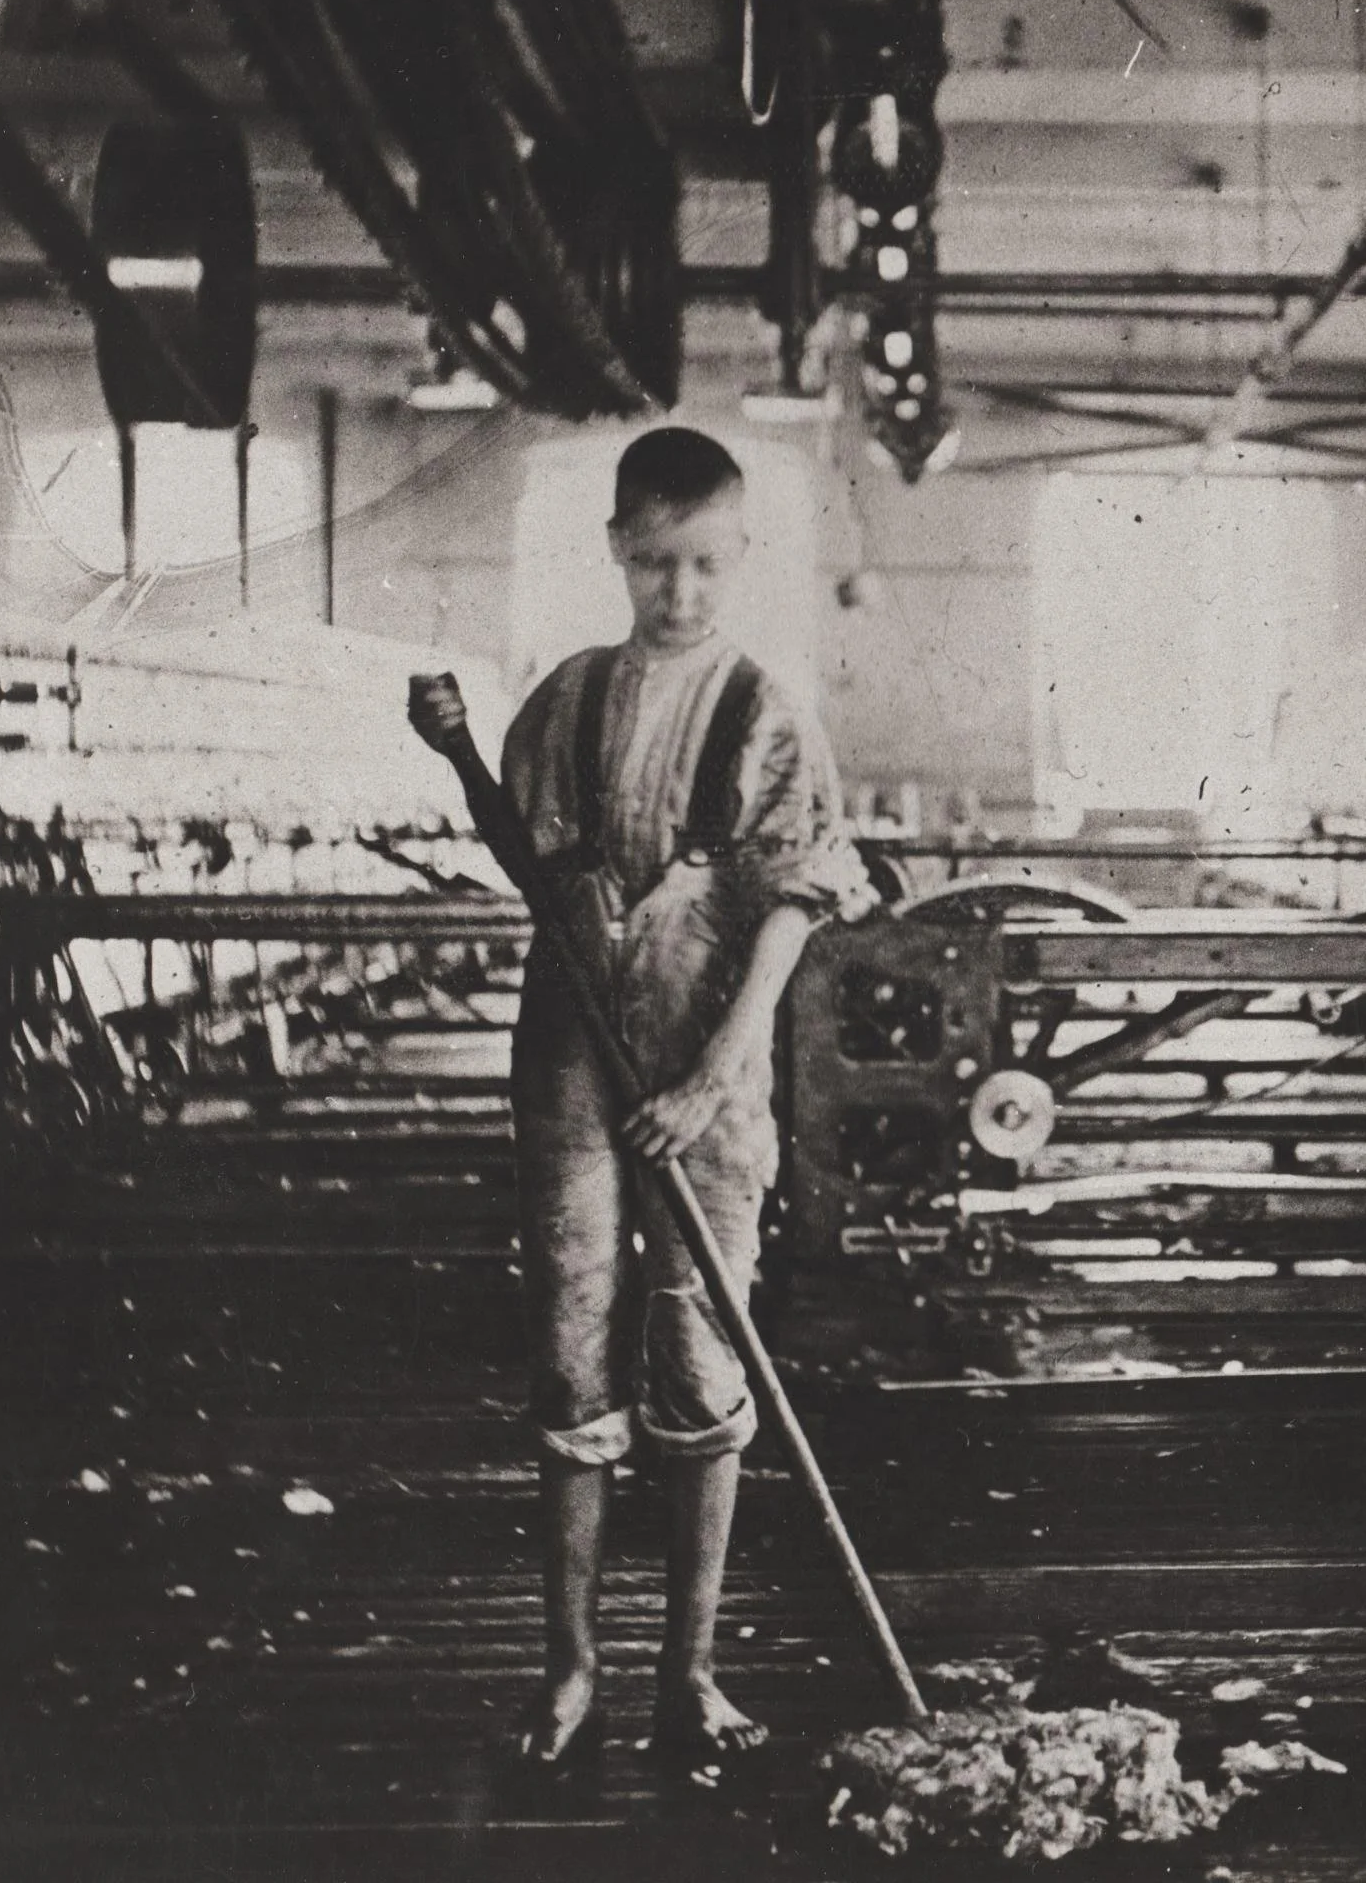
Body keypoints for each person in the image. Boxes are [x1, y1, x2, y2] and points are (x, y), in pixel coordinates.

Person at [407, 427, 872, 1766]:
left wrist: (714, 1075)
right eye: (657, 561)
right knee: (568, 1346)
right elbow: (540, 877)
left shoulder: (766, 710)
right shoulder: (566, 700)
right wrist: (456, 756)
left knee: (697, 1350)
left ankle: (693, 1670)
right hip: (570, 1064)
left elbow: (791, 911)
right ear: (617, 548)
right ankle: (569, 1670)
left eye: (705, 564)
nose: (680, 589)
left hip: (706, 1082)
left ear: (739, 556)